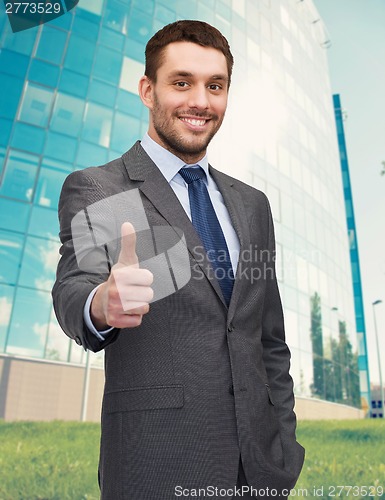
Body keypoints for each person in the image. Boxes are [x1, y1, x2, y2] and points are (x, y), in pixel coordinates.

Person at [52, 20, 304, 500]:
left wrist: (284, 445)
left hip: (261, 469)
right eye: (182, 83)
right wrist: (101, 304)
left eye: (216, 86)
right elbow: (74, 286)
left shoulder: (252, 204)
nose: (200, 101)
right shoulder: (107, 188)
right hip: (157, 463)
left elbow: (267, 336)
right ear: (148, 90)